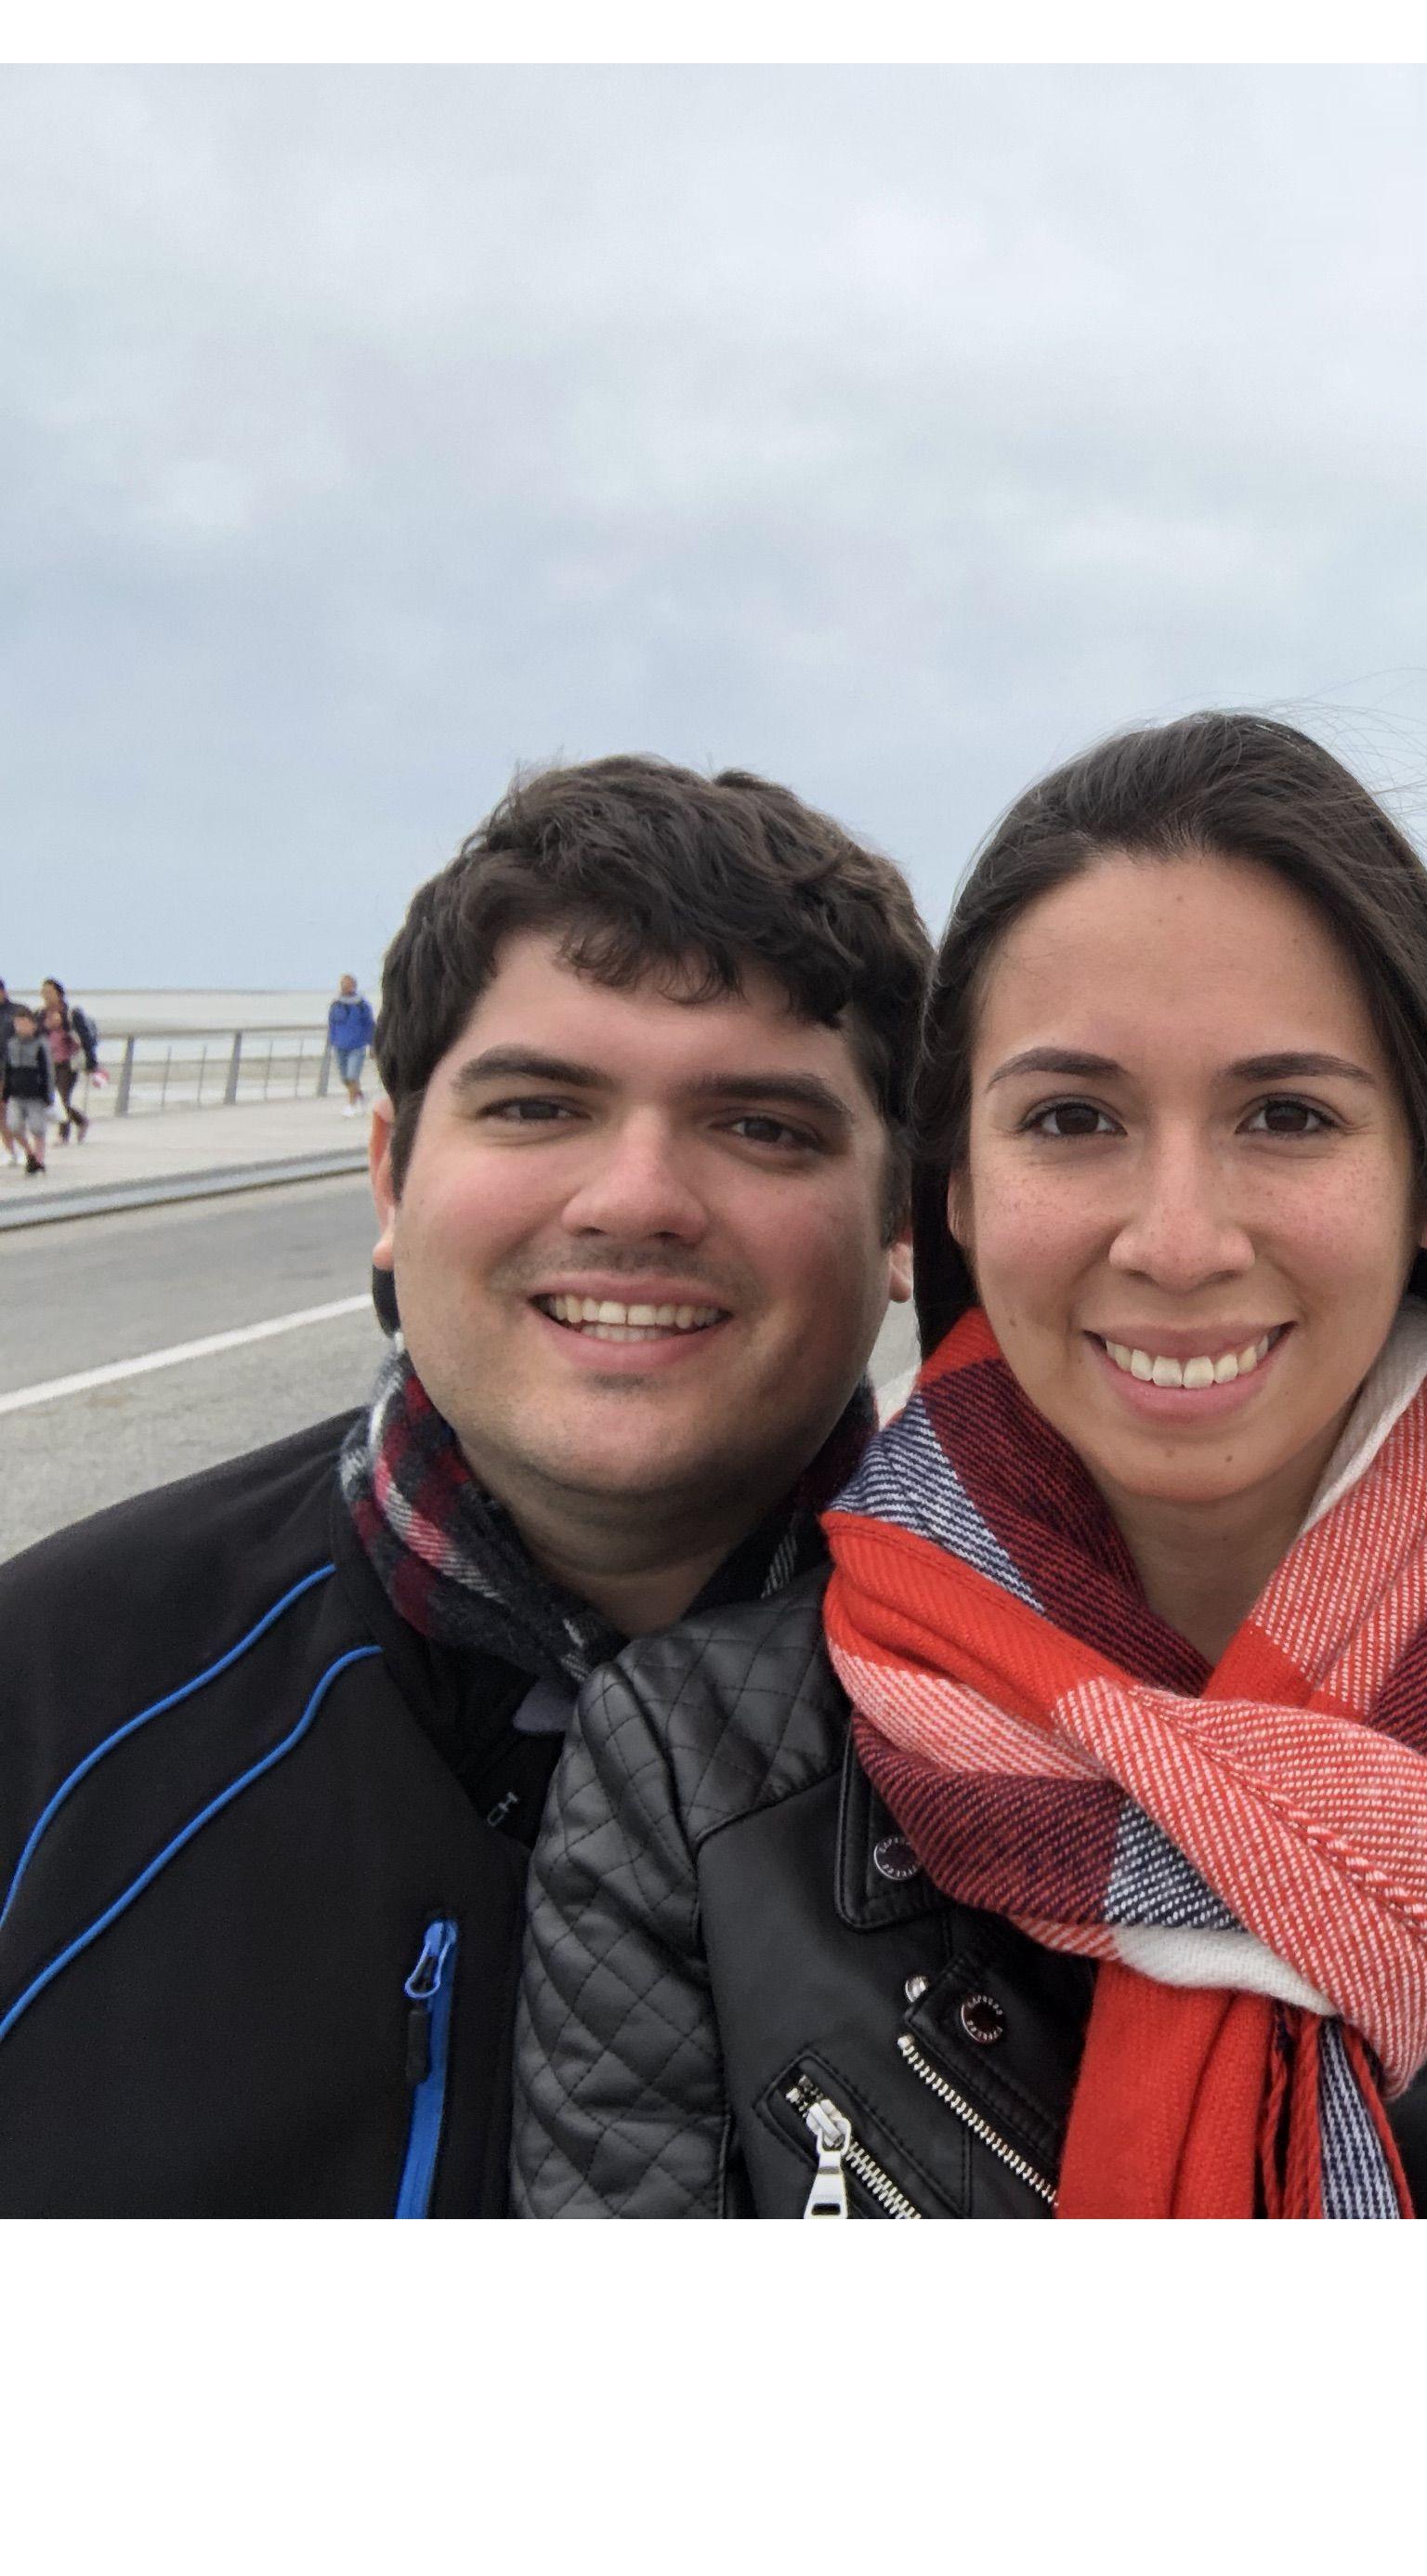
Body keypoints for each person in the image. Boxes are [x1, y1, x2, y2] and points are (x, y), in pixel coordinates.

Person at [514, 715, 1427, 2219]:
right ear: (954, 1183)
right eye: (1072, 1118)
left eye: (1286, 1114)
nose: (1180, 1238)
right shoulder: (691, 1773)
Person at [0, 757, 932, 2214]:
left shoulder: (1073, 1753)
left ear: (903, 1228)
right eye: (537, 1108)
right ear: (390, 1179)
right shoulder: (55, 1694)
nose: (635, 1197)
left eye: (762, 1127)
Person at [38, 981, 95, 1145]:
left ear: (59, 994)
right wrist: (47, 1026)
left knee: (62, 1097)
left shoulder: (70, 1013)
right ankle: (81, 1120)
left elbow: (85, 1038)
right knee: (51, 1099)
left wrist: (91, 1063)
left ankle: (63, 1135)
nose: (46, 996)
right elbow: (35, 1034)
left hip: (68, 1062)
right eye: (44, 992)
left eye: (49, 992)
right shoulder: (40, 1014)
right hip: (48, 1063)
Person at [3, 1001, 51, 1176]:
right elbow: (8, 1070)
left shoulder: (40, 1044)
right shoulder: (12, 1044)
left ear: (33, 1024)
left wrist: (47, 1094)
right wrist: (5, 1093)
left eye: (24, 1024)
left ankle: (39, 1159)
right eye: (18, 1024)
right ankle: (29, 1153)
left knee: (37, 1128)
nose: (21, 1028)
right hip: (16, 1093)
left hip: (35, 1093)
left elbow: (47, 1071)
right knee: (13, 1126)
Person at [327, 970, 376, 1112]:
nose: (344, 987)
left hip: (357, 1045)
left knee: (352, 1075)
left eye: (347, 984)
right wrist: (333, 1040)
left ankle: (351, 1105)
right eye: (342, 984)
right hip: (340, 1046)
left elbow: (370, 1025)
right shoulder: (336, 1004)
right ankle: (360, 1095)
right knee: (345, 1078)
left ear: (353, 986)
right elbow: (332, 1024)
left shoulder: (362, 1005)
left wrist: (372, 1045)